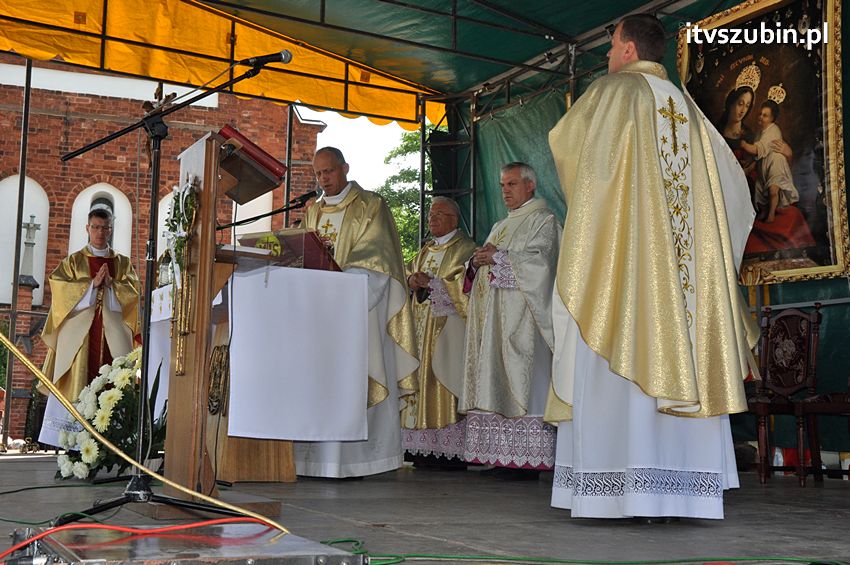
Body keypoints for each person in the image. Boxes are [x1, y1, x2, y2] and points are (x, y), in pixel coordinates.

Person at [546, 14, 757, 519]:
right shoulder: (689, 109)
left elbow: (571, 152)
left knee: (620, 349)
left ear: (628, 48)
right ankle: (682, 493)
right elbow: (733, 193)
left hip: (628, 271)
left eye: (611, 45)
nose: (606, 55)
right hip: (689, 285)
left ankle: (624, 492)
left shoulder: (613, 92)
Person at [294, 146, 419, 478]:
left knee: (357, 376)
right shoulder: (313, 212)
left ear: (345, 168)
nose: (324, 179)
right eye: (318, 174)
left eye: (329, 171)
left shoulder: (371, 205)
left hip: (359, 309)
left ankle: (360, 461)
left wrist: (342, 283)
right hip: (318, 313)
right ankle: (313, 460)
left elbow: (378, 257)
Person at [459, 162, 561, 479]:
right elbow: (486, 263)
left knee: (526, 382)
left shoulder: (545, 220)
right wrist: (475, 262)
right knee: (495, 382)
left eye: (512, 184)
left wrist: (500, 258)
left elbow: (544, 264)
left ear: (530, 185)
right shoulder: (500, 225)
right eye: (502, 185)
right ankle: (500, 456)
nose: (505, 191)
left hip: (525, 322)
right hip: (494, 322)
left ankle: (527, 461)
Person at [38, 208, 140, 447]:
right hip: (79, 338)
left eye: (104, 228)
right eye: (95, 227)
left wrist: (112, 285)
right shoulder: (73, 261)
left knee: (114, 379)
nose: (100, 232)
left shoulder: (122, 263)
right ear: (87, 228)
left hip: (111, 334)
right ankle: (73, 442)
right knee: (77, 379)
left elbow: (134, 294)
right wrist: (91, 285)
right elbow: (60, 291)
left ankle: (112, 442)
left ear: (110, 230)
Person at [402, 197, 476, 467]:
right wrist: (411, 280)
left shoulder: (466, 248)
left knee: (444, 378)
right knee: (418, 381)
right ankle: (418, 447)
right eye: (430, 214)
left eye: (438, 214)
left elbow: (467, 286)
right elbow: (406, 271)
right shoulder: (426, 250)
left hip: (447, 331)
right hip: (420, 328)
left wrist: (435, 285)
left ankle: (448, 450)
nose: (431, 219)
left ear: (454, 220)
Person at [740, 100, 800, 223]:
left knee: (773, 190)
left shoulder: (773, 130)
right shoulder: (760, 132)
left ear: (772, 118)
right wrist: (749, 164)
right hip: (765, 166)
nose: (761, 117)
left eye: (765, 115)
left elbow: (758, 149)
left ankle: (771, 214)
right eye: (760, 114)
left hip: (775, 164)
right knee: (760, 191)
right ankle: (765, 211)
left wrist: (743, 144)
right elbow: (757, 156)